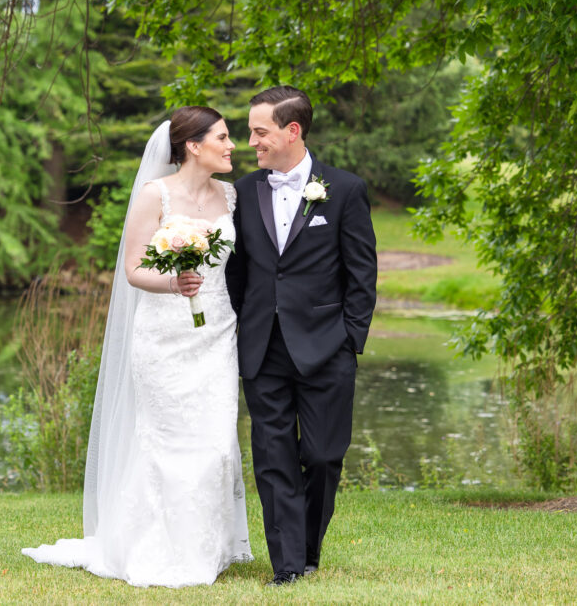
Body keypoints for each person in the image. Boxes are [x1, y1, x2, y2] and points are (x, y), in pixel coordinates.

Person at [22, 106, 253, 587]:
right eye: (224, 137)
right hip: (163, 336)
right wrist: (175, 283)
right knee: (166, 442)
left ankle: (206, 549)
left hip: (216, 332)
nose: (234, 146)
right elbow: (132, 270)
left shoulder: (230, 195)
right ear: (193, 145)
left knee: (215, 445)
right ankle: (156, 547)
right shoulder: (155, 195)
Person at [226, 86, 377, 586]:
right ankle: (287, 565)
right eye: (250, 132)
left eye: (259, 131)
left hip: (326, 348)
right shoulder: (244, 193)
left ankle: (308, 548)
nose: (251, 142)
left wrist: (350, 339)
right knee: (272, 458)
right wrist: (247, 322)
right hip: (263, 347)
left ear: (292, 131)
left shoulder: (345, 190)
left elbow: (362, 275)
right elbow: (238, 271)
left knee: (321, 456)